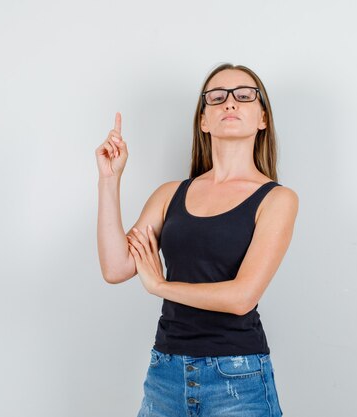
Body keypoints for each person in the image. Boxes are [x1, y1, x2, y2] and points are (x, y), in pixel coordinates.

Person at [95, 63, 298, 417]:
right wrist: (109, 181)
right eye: (217, 97)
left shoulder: (277, 199)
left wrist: (161, 285)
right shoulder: (169, 194)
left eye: (244, 95)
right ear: (204, 120)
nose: (230, 104)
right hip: (165, 375)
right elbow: (116, 267)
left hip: (238, 379)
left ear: (262, 117)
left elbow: (241, 297)